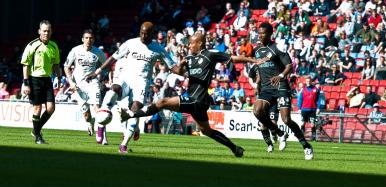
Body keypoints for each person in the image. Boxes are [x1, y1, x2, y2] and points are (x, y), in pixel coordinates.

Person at [121, 32, 265, 157]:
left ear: (200, 43)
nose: (189, 46)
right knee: (207, 131)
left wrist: (253, 60)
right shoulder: (190, 58)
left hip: (198, 100)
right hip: (196, 102)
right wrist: (182, 63)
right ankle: (235, 148)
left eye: (192, 43)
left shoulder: (210, 55)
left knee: (162, 103)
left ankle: (131, 115)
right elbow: (178, 71)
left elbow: (232, 58)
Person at [85, 22, 178, 153]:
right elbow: (112, 58)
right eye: (141, 33)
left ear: (152, 34)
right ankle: (101, 123)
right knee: (115, 88)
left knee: (134, 111)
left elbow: (173, 67)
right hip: (125, 79)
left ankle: (123, 145)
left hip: (141, 85)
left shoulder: (158, 49)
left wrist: (187, 73)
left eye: (146, 34)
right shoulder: (130, 43)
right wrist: (96, 72)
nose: (143, 36)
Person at [251, 22, 314, 160]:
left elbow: (289, 66)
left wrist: (280, 76)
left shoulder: (277, 47)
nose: (260, 35)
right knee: (257, 111)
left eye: (263, 33)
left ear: (270, 34)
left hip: (281, 86)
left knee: (286, 119)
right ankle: (279, 133)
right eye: (259, 33)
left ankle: (306, 146)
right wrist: (258, 82)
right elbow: (260, 69)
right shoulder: (256, 50)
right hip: (267, 88)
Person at [20, 20, 61, 144]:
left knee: (51, 109)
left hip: (47, 79)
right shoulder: (32, 45)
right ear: (39, 32)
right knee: (37, 108)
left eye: (48, 31)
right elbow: (25, 64)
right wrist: (26, 82)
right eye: (44, 31)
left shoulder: (54, 46)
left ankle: (35, 129)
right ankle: (38, 136)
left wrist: (58, 77)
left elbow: (56, 63)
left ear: (51, 32)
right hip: (34, 79)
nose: (46, 33)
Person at [64, 29, 108, 143]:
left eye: (91, 38)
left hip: (93, 83)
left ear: (94, 39)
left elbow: (107, 65)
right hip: (78, 85)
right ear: (83, 39)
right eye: (86, 38)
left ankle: (102, 136)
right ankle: (90, 123)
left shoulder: (98, 52)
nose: (89, 40)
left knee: (97, 108)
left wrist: (100, 75)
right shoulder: (75, 50)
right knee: (87, 115)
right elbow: (66, 67)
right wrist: (71, 82)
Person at [297, 77, 321, 141]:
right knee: (303, 123)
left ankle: (313, 137)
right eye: (307, 81)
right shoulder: (303, 90)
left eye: (309, 81)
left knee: (312, 124)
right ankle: (301, 137)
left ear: (311, 81)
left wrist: (318, 108)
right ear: (305, 81)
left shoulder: (316, 89)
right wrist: (299, 108)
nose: (308, 82)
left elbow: (318, 99)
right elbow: (300, 99)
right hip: (304, 109)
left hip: (313, 109)